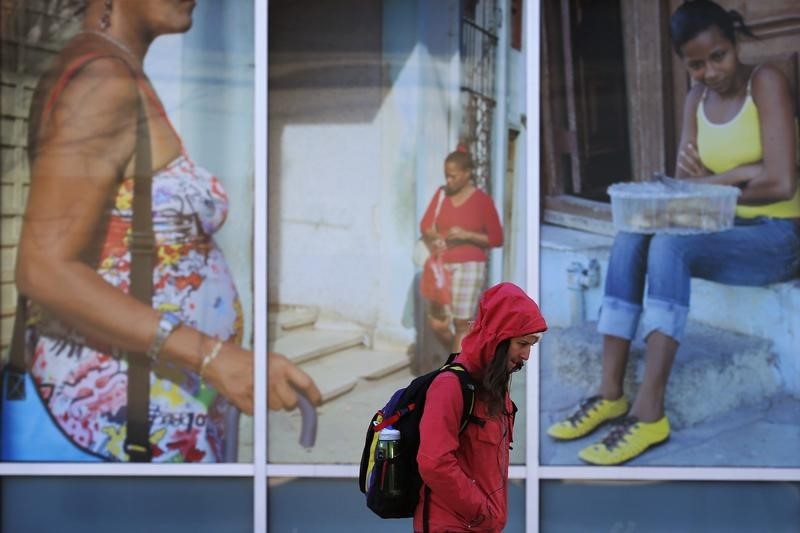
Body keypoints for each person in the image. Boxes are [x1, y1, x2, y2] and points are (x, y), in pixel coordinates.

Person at [14, 0, 320, 462]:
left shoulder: (112, 71)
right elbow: (44, 268)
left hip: (141, 416)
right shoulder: (103, 82)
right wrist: (210, 356)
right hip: (114, 430)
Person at [547, 0, 800, 465]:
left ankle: (649, 413)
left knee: (670, 246)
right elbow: (687, 188)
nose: (710, 71)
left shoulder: (765, 83)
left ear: (735, 43)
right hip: (724, 224)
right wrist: (738, 173)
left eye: (718, 56)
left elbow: (782, 181)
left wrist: (714, 181)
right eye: (696, 64)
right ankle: (610, 393)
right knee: (631, 233)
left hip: (777, 235)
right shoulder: (694, 102)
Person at [415, 282, 547, 532]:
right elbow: (434, 463)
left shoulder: (494, 387)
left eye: (531, 345)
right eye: (522, 344)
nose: (527, 355)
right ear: (497, 338)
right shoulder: (450, 386)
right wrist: (482, 513)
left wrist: (489, 518)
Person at [419, 150, 504, 354]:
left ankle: (455, 375)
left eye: (453, 175)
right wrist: (435, 237)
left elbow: (497, 238)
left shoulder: (482, 201)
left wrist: (467, 235)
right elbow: (425, 225)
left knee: (460, 323)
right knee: (437, 322)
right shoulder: (441, 195)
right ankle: (462, 360)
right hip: (441, 267)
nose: (448, 180)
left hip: (470, 265)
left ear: (467, 173)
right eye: (446, 175)